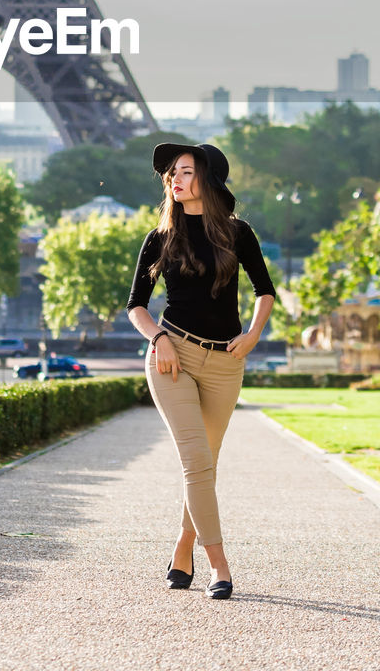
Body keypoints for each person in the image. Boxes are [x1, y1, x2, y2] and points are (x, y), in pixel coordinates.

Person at [126, 141, 276, 600]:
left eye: (185, 171)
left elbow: (264, 291)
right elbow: (136, 305)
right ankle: (221, 567)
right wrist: (158, 338)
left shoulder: (237, 232)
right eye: (171, 172)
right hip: (173, 357)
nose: (174, 178)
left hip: (225, 363)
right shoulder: (159, 237)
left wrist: (252, 336)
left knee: (204, 468)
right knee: (196, 462)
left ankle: (182, 548)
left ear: (206, 180)